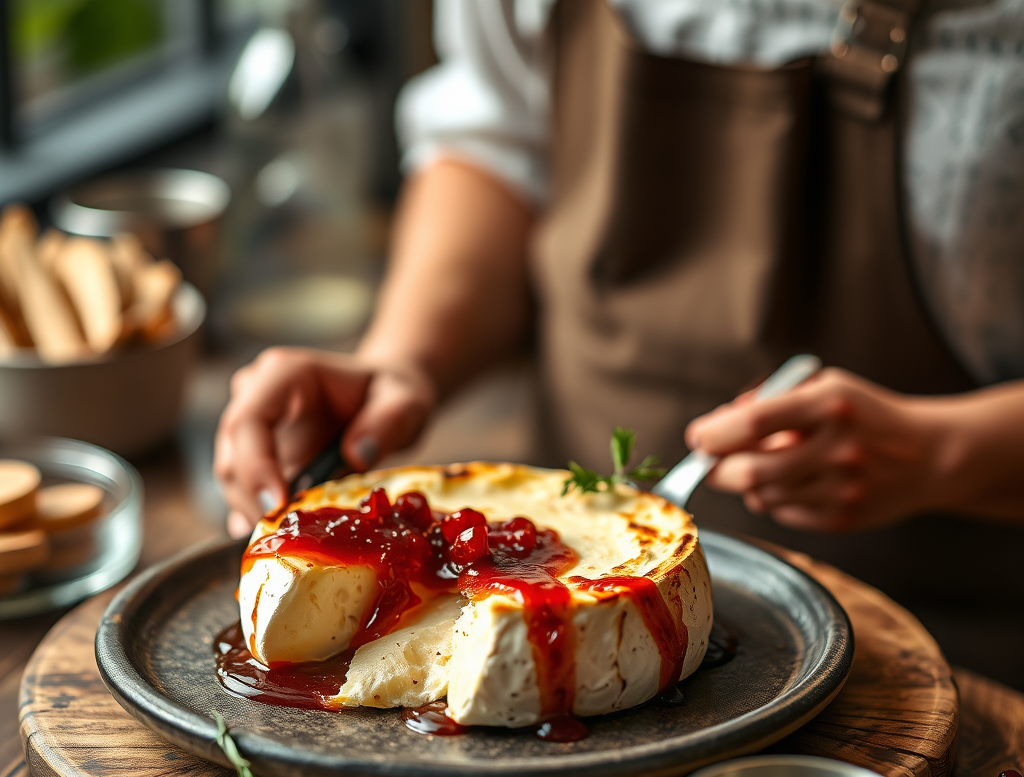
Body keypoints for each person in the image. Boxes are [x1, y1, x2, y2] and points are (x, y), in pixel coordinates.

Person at [216, 0, 1024, 680]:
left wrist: (947, 451)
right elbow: (498, 143)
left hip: (957, 645)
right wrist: (400, 359)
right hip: (555, 591)